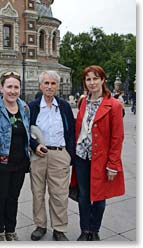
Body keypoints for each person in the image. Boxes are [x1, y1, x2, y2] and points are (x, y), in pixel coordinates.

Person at [75, 65, 125, 241]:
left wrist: (113, 165)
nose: (92, 82)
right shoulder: (82, 101)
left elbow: (117, 138)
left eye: (95, 78)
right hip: (81, 156)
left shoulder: (114, 105)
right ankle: (84, 229)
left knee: (99, 197)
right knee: (83, 196)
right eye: (88, 79)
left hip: (101, 159)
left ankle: (94, 229)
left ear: (103, 80)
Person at [28, 71, 75, 241]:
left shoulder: (64, 106)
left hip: (59, 154)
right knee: (38, 193)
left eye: (53, 83)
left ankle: (59, 228)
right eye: (46, 83)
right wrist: (34, 146)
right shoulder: (32, 106)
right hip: (38, 155)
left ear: (58, 86)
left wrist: (69, 155)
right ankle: (40, 225)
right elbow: (26, 131)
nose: (49, 87)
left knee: (59, 194)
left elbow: (71, 131)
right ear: (41, 85)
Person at [0, 71, 31, 241]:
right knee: (0, 198)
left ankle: (11, 229)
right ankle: (0, 231)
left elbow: (28, 132)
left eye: (16, 87)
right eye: (9, 87)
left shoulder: (24, 108)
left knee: (13, 197)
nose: (13, 91)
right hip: (1, 161)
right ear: (2, 88)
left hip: (20, 162)